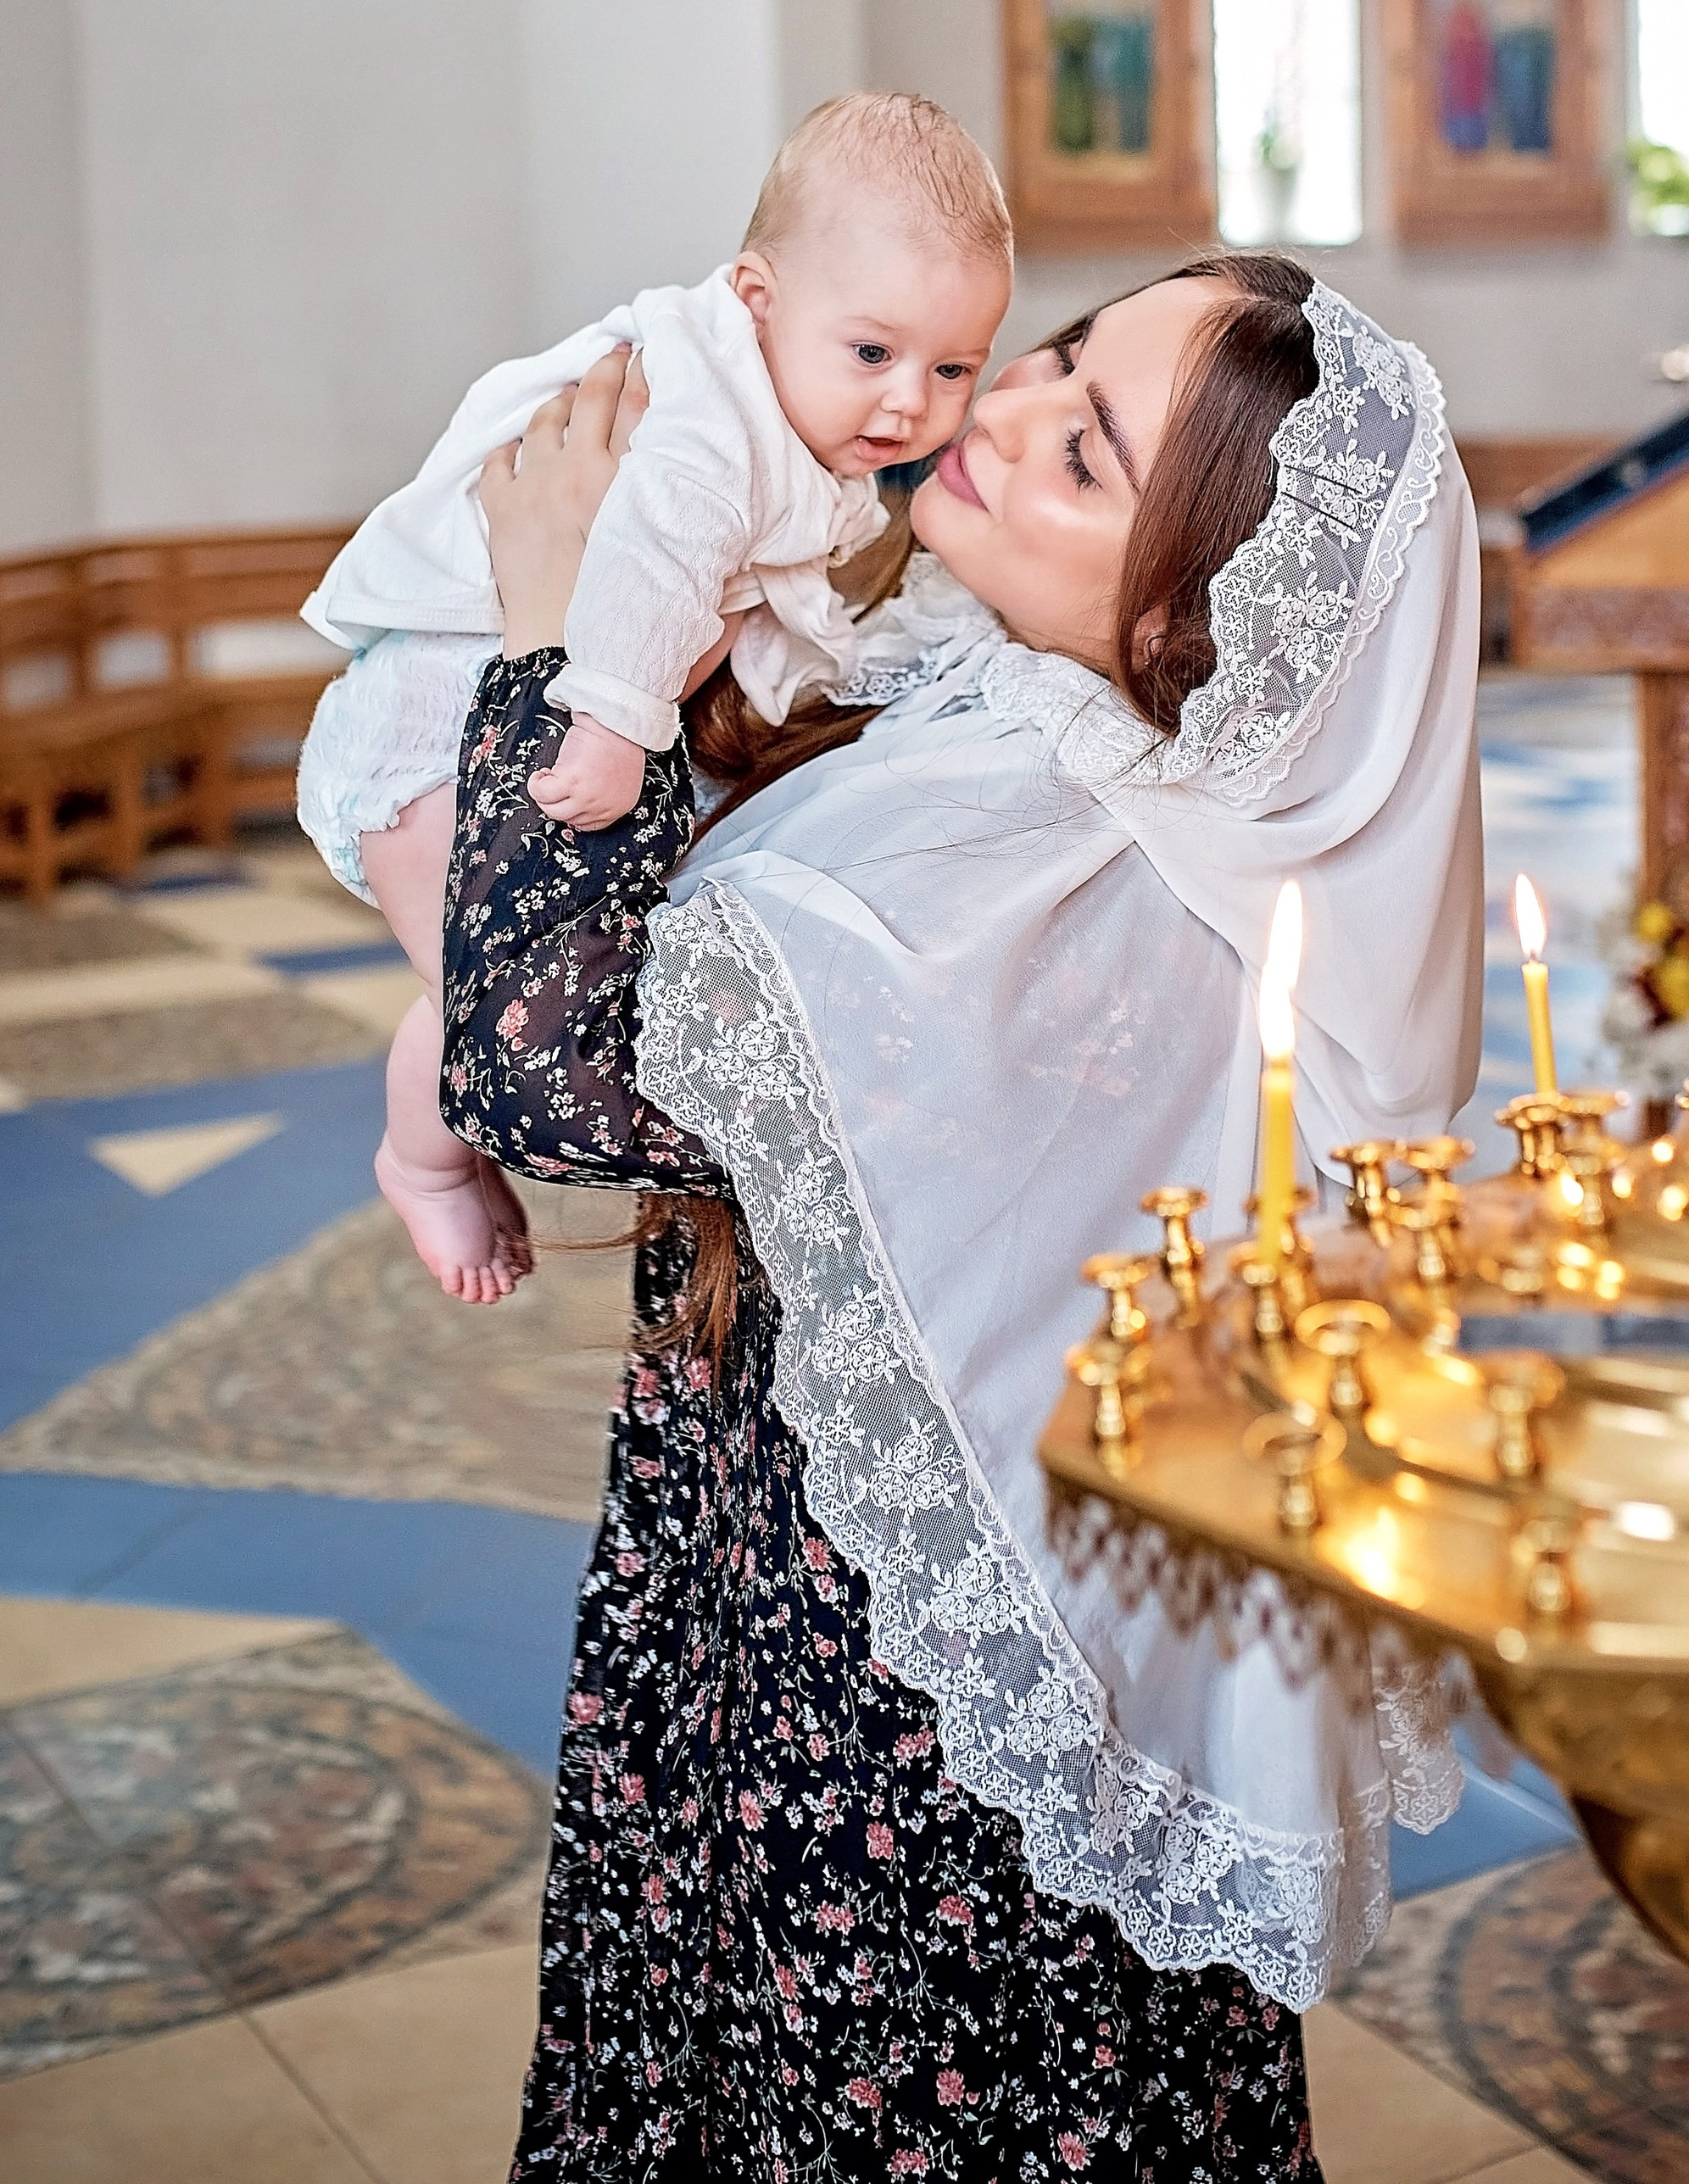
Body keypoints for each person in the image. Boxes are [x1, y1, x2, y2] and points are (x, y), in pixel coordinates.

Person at [443, 251, 1483, 2181]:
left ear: (1193, 616)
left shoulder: (1067, 855)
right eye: (1059, 359)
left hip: (902, 1729)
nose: (999, 409)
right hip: (810, 1600)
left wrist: (549, 645)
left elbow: (548, 1076)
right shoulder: (1009, 719)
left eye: (1084, 449)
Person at [294, 93, 1013, 1301]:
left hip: (517, 700)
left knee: (509, 976)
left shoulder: (800, 421)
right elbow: (652, 566)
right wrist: (619, 721)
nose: (910, 404)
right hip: (428, 727)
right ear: (757, 298)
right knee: (485, 995)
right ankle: (422, 1165)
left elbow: (762, 601)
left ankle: (441, 1150)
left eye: (953, 368)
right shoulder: (706, 420)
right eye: (874, 355)